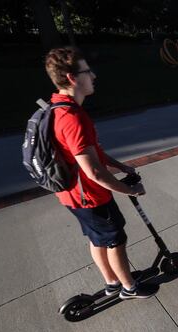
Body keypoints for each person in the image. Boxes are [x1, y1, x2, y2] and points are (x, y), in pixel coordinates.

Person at [45, 46, 153, 299]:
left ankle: (112, 282)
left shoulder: (59, 107)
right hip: (89, 196)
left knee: (98, 239)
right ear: (72, 78)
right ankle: (129, 288)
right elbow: (93, 171)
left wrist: (121, 166)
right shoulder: (72, 118)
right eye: (87, 71)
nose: (93, 76)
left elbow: (92, 153)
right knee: (115, 240)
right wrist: (130, 189)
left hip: (73, 195)